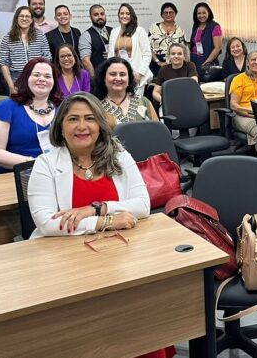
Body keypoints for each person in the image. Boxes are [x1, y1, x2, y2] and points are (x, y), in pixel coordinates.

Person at [26, 92, 172, 358]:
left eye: (90, 119)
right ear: (60, 127)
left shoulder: (118, 155)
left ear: (100, 124)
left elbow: (142, 205)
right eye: (73, 119)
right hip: (66, 266)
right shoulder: (46, 163)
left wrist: (96, 208)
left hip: (122, 259)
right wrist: (106, 221)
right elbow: (47, 223)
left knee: (142, 320)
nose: (82, 126)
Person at [0, 58, 62, 173]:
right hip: (17, 175)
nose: (42, 79)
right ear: (26, 78)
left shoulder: (63, 108)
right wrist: (34, 163)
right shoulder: (6, 108)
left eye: (47, 76)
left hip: (56, 172)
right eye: (36, 75)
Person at [0, 5, 52, 90]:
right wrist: (11, 85)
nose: (24, 19)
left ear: (31, 20)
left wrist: (42, 75)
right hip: (17, 80)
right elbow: (4, 63)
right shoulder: (7, 38)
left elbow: (47, 57)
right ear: (17, 18)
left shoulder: (40, 36)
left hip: (37, 79)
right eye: (21, 16)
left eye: (27, 16)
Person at [94, 58, 157, 124]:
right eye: (113, 74)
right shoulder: (96, 106)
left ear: (129, 79)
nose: (118, 78)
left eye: (122, 74)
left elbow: (158, 130)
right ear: (103, 78)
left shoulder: (143, 102)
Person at [107, 3, 152, 95]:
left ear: (132, 15)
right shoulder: (114, 32)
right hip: (118, 76)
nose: (124, 16)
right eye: (122, 13)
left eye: (127, 13)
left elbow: (147, 54)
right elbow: (110, 55)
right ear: (118, 15)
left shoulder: (139, 31)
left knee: (134, 106)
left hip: (136, 75)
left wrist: (140, 73)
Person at [148, 2, 186, 77]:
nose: (168, 14)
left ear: (175, 14)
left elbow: (183, 50)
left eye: (171, 12)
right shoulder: (154, 27)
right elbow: (148, 47)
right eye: (166, 12)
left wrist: (175, 62)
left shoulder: (180, 30)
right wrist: (158, 61)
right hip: (156, 63)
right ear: (162, 14)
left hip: (175, 64)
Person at [79, 4, 113, 78]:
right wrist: (95, 79)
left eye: (102, 14)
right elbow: (85, 61)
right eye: (96, 14)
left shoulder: (114, 31)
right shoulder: (86, 35)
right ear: (90, 17)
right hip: (99, 78)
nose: (100, 17)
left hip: (116, 75)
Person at [189, 2, 223, 70]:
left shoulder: (215, 27)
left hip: (208, 61)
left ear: (209, 13)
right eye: (199, 13)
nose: (201, 15)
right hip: (194, 60)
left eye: (204, 13)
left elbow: (217, 48)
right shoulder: (196, 26)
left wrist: (207, 62)